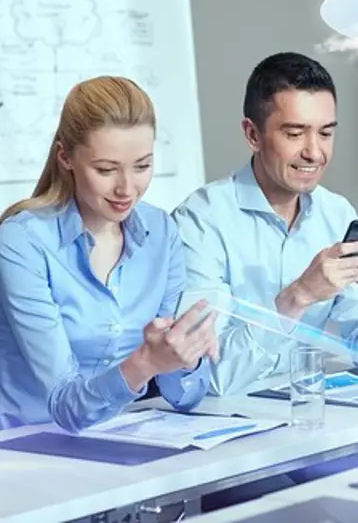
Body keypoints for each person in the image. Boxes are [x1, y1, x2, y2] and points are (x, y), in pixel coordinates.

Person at [172, 52, 358, 398]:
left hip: (306, 412)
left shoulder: (336, 213)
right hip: (227, 422)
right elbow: (209, 378)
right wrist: (298, 297)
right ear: (252, 135)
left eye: (326, 133)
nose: (314, 152)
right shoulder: (200, 222)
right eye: (295, 134)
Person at [0, 76, 218, 432]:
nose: (126, 188)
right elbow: (66, 406)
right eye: (105, 169)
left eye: (142, 166)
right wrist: (146, 363)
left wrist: (185, 358)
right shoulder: (23, 240)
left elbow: (186, 396)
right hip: (27, 446)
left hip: (124, 438)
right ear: (65, 157)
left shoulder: (161, 232)